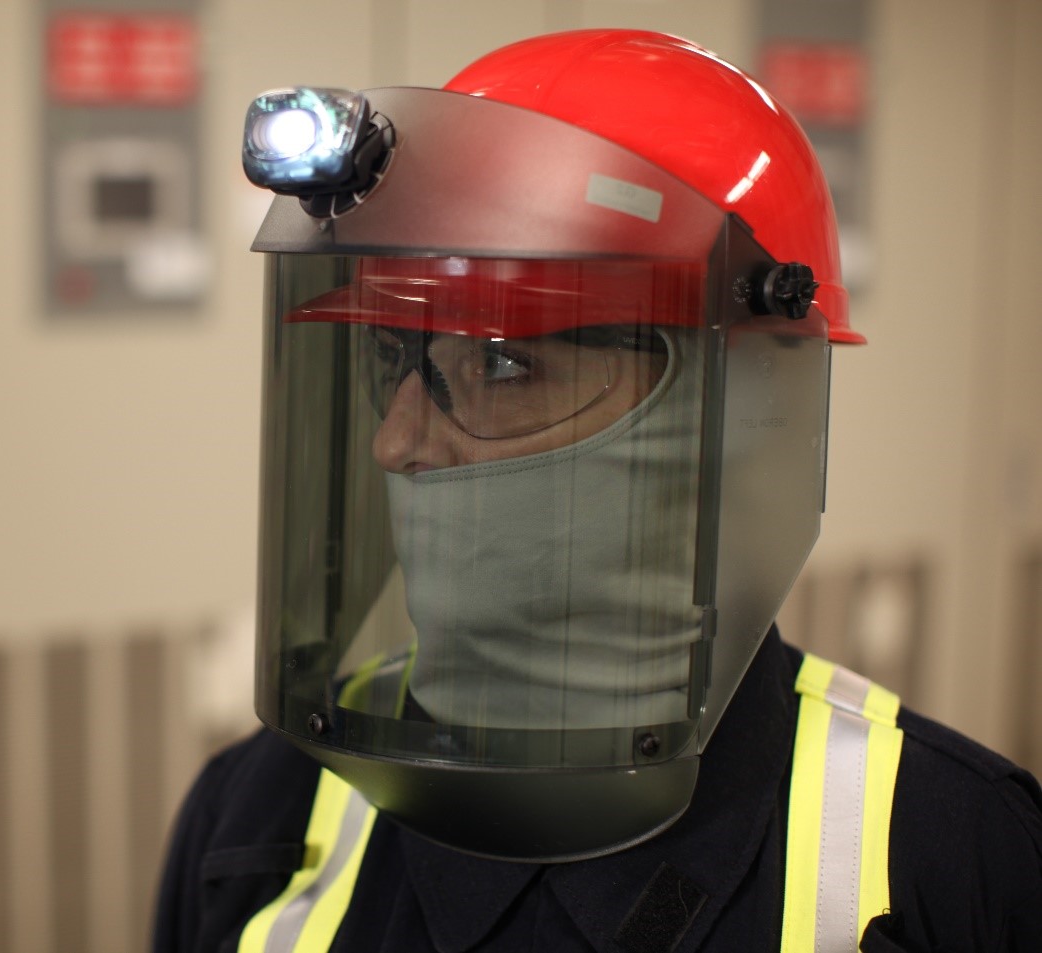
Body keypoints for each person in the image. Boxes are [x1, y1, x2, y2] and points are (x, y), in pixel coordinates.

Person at [154, 30, 1042, 951]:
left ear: (740, 416)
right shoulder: (255, 819)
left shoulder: (939, 855)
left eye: (503, 363)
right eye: (395, 361)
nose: (395, 440)